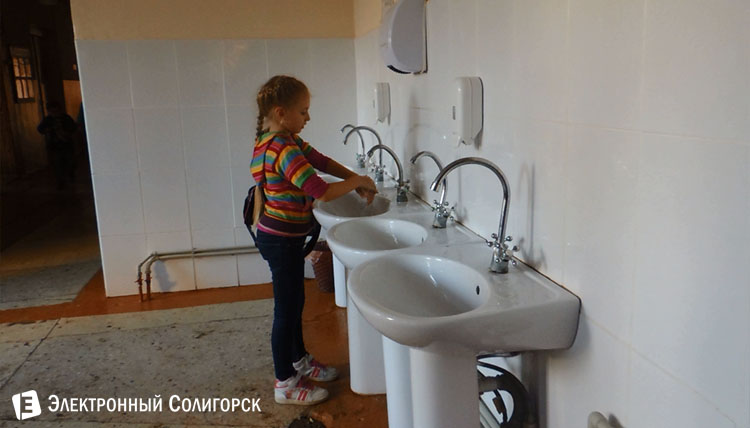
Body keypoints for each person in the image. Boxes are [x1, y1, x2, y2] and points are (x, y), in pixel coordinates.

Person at [251, 75, 377, 406]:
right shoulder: (282, 149)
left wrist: (354, 177)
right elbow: (320, 190)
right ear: (281, 113)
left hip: (280, 238)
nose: (308, 117)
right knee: (286, 310)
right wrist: (357, 182)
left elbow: (320, 161)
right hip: (281, 240)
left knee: (294, 304)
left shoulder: (279, 140)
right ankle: (285, 383)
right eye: (303, 111)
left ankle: (298, 360)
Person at [37, 101, 77, 190]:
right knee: (58, 164)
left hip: (67, 144)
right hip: (54, 145)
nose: (54, 113)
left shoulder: (66, 118)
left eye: (56, 111)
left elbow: (73, 128)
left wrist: (66, 132)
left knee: (70, 162)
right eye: (51, 111)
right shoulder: (47, 120)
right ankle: (61, 181)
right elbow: (40, 129)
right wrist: (49, 129)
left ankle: (70, 175)